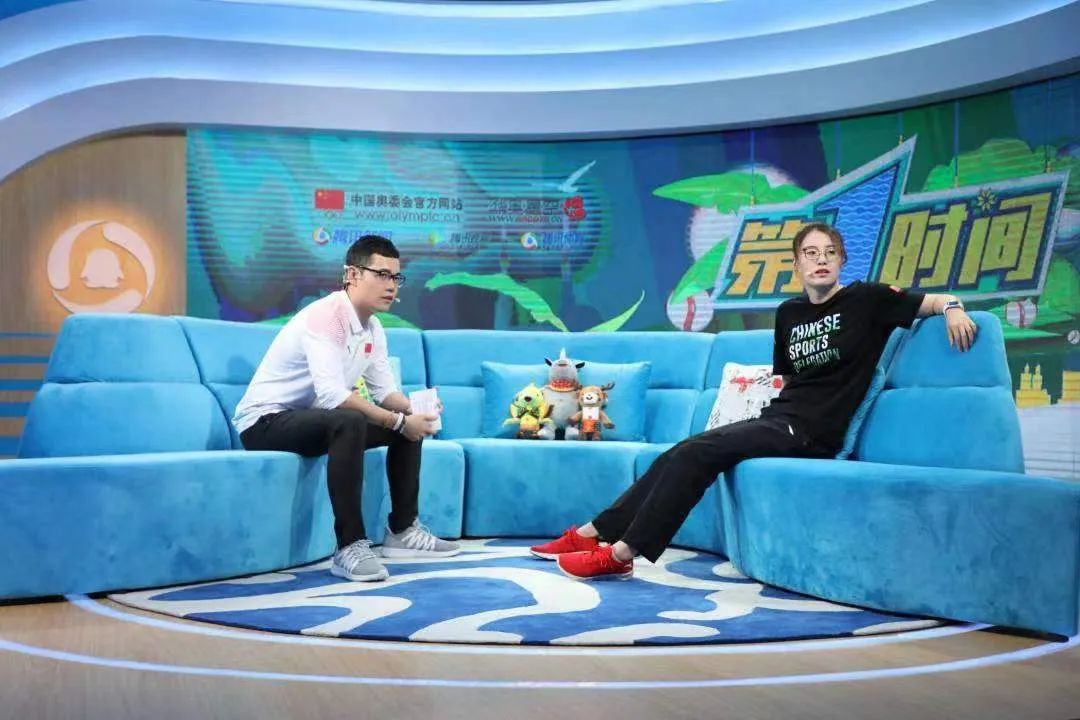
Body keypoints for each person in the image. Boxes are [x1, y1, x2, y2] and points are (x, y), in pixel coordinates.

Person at [531, 222, 978, 580]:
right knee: (682, 451)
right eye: (811, 253)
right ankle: (592, 532)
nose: (821, 260)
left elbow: (932, 301)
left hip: (813, 433)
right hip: (780, 420)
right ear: (797, 265)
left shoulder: (867, 299)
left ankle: (621, 554)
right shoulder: (789, 313)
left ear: (842, 260)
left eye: (830, 253)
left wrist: (953, 308)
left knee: (696, 454)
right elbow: (789, 379)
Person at [234, 234, 459, 583]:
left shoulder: (374, 327)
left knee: (403, 425)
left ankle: (402, 530)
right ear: (352, 275)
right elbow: (332, 396)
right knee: (352, 421)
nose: (391, 285)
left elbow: (385, 393)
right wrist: (399, 421)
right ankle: (349, 546)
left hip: (314, 421)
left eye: (396, 277)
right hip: (264, 423)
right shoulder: (326, 316)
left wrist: (414, 408)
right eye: (381, 275)